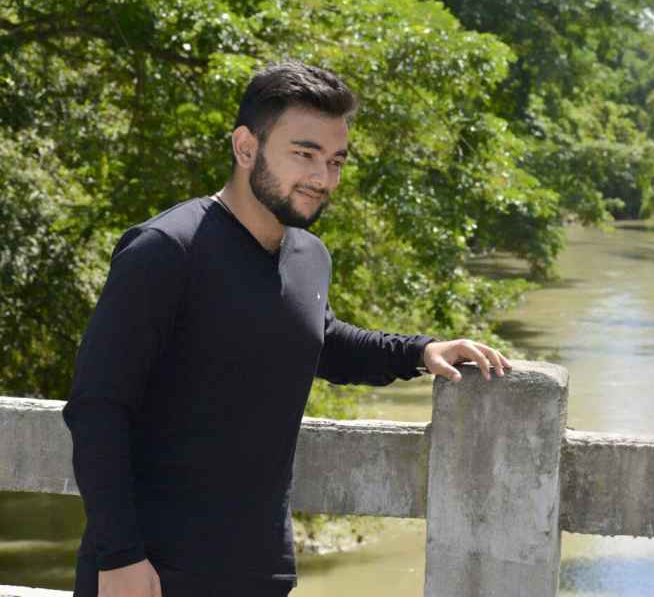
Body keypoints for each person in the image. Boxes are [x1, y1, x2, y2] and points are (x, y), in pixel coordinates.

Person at [63, 60, 511, 597]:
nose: (323, 178)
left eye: (336, 161)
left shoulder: (309, 256)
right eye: (304, 154)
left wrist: (420, 351)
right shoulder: (165, 251)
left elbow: (320, 341)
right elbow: (97, 408)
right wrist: (119, 556)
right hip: (154, 570)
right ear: (246, 147)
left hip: (260, 569)